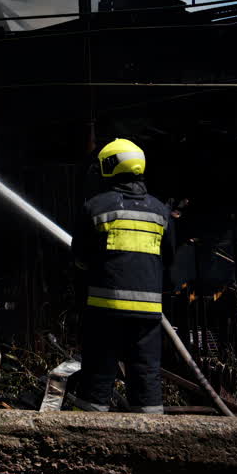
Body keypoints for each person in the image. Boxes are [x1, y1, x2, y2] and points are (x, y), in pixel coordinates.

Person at [71, 138, 175, 413]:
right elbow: (170, 257)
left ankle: (90, 440)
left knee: (98, 372)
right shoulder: (161, 212)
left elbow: (79, 257)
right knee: (146, 373)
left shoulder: (96, 207)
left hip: (106, 310)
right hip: (148, 312)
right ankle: (151, 438)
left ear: (109, 166)